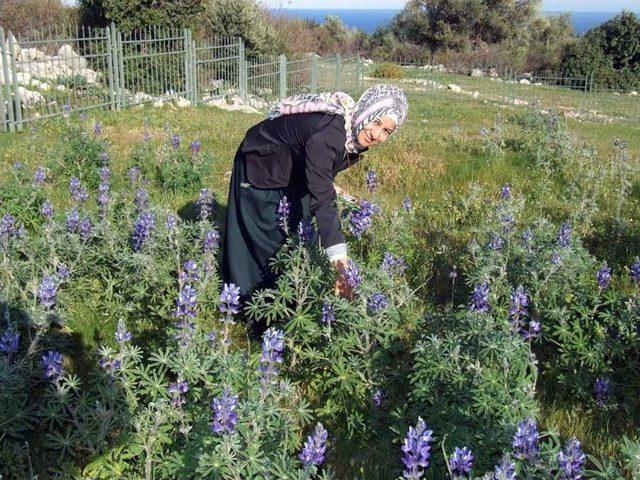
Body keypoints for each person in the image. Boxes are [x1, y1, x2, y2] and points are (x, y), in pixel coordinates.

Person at [222, 84, 408, 307]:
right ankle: (247, 306)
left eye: (386, 131)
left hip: (293, 170)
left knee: (292, 234)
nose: (376, 134)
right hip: (261, 163)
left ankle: (282, 301)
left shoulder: (352, 131)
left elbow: (320, 166)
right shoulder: (331, 133)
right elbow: (324, 202)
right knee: (260, 238)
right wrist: (341, 264)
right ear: (367, 111)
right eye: (376, 122)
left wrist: (328, 184)